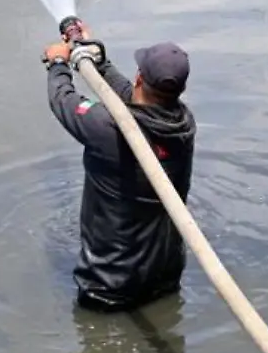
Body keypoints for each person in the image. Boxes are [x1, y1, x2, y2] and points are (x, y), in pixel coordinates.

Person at [43, 22, 196, 311]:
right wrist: (100, 62)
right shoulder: (184, 125)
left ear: (140, 77)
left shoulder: (105, 128)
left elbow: (62, 99)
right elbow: (134, 98)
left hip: (106, 289)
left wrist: (58, 63)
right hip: (164, 281)